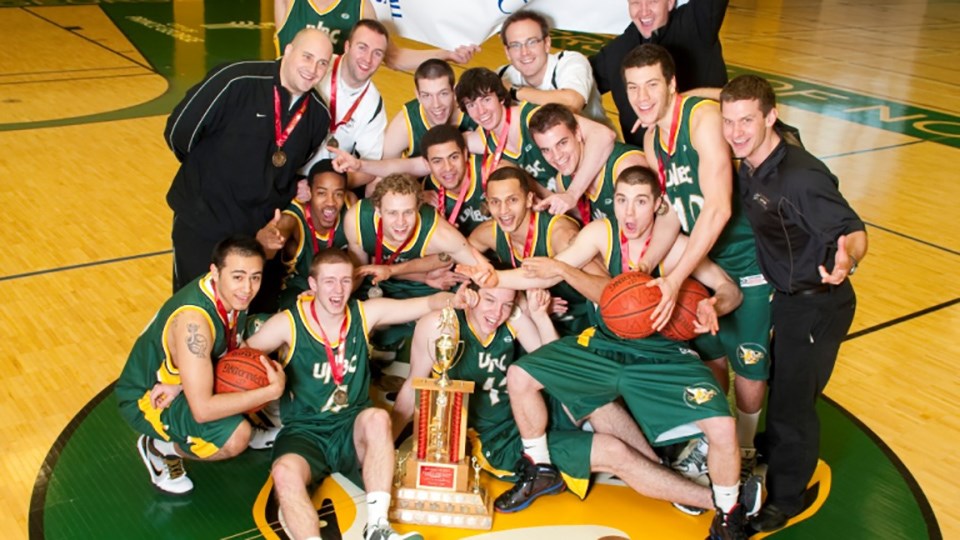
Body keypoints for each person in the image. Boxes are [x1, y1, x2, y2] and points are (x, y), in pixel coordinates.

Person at [460, 166, 760, 539]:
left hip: (661, 352)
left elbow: (729, 287)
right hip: (604, 343)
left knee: (723, 426)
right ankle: (540, 468)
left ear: (657, 205)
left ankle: (729, 512)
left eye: (639, 202)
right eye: (621, 201)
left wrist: (714, 306)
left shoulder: (676, 246)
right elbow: (550, 273)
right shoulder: (601, 233)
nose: (629, 213)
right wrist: (495, 279)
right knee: (522, 375)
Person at [394, 281, 723, 515]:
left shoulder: (510, 318)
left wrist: (538, 316)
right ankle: (721, 502)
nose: (497, 312)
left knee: (596, 398)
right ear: (471, 295)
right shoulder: (440, 325)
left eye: (507, 304)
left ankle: (662, 476)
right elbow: (413, 385)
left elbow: (554, 367)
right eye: (490, 301)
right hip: (501, 441)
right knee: (614, 451)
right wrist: (389, 441)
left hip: (532, 411)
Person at [719, 74, 867, 533]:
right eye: (728, 121)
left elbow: (853, 230)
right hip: (788, 298)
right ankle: (778, 450)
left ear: (771, 118)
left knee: (791, 403)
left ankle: (786, 496)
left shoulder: (800, 178)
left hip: (819, 301)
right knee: (782, 382)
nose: (736, 131)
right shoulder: (751, 160)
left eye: (747, 120)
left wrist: (848, 259)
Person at [246, 248, 465, 540]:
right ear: (312, 285)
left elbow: (427, 303)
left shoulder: (364, 314)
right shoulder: (287, 324)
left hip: (352, 425)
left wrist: (458, 299)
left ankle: (378, 528)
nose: (338, 290)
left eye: (345, 281)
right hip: (305, 431)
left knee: (376, 418)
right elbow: (239, 362)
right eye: (329, 281)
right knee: (284, 473)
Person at [626, 44, 771, 480]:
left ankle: (744, 449)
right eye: (633, 88)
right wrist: (647, 264)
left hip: (747, 258)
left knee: (748, 360)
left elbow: (718, 210)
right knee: (709, 351)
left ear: (672, 85)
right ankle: (714, 437)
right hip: (704, 261)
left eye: (652, 84)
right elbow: (673, 212)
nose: (642, 96)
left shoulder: (703, 118)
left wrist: (675, 278)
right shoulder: (652, 140)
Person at [165, 28, 332, 292]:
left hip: (256, 234)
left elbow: (292, 166)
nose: (313, 69)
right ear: (288, 51)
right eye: (307, 57)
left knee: (245, 316)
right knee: (194, 306)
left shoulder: (319, 116)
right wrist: (205, 175)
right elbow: (179, 132)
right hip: (202, 220)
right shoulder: (236, 80)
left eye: (322, 63)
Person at [116, 235, 285, 495]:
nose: (247, 288)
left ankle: (245, 421)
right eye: (238, 277)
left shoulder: (228, 295)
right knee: (235, 437)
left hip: (177, 383)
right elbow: (203, 410)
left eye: (255, 277)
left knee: (275, 330)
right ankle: (160, 449)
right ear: (215, 272)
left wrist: (181, 383)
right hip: (147, 398)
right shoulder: (194, 322)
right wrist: (269, 392)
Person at [454, 67, 617, 216]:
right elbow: (436, 149)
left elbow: (603, 135)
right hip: (568, 212)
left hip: (599, 197)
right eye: (471, 105)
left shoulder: (534, 117)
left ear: (501, 98)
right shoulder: (482, 139)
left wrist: (572, 194)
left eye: (486, 100)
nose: (481, 111)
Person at [467, 167, 606, 337]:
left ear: (529, 199)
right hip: (537, 325)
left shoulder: (560, 235)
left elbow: (607, 291)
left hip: (587, 325)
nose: (503, 211)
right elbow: (458, 253)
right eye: (495, 202)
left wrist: (563, 271)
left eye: (512, 200)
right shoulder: (489, 233)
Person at [590, 0, 729, 146]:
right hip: (647, 162)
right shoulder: (617, 52)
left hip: (705, 151)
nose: (644, 12)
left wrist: (674, 103)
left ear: (670, 2)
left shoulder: (697, 23)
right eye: (635, 3)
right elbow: (577, 78)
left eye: (653, 2)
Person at [301, 19, 389, 188]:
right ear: (347, 47)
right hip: (290, 171)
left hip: (332, 185)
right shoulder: (319, 68)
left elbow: (369, 168)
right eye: (362, 47)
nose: (368, 59)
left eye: (377, 53)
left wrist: (328, 186)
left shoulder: (374, 105)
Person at [255, 159, 352, 309]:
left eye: (337, 194)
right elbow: (265, 250)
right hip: (298, 290)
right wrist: (262, 242)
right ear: (308, 192)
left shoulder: (350, 206)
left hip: (339, 287)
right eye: (321, 193)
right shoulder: (292, 220)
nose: (330, 202)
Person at [273, 0, 479, 70]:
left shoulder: (361, 8)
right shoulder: (290, 3)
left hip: (333, 109)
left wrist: (446, 54)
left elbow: (394, 57)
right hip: (283, 101)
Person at [528, 103, 646, 223]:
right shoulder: (563, 183)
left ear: (578, 133)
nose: (557, 156)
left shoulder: (625, 167)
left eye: (562, 143)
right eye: (546, 150)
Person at [496, 10, 611, 128]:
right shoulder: (502, 75)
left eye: (532, 42)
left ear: (547, 43)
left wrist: (514, 91)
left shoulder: (570, 62)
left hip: (592, 144)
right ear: (507, 52)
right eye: (515, 45)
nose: (524, 52)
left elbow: (572, 104)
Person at [382, 59, 477, 159]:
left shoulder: (475, 110)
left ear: (454, 91)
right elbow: (384, 171)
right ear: (418, 95)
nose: (436, 104)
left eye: (443, 94)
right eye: (427, 95)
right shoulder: (403, 126)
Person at [419, 125, 489, 235]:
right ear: (427, 164)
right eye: (437, 161)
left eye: (454, 157)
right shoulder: (427, 190)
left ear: (465, 154)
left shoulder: (490, 170)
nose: (448, 167)